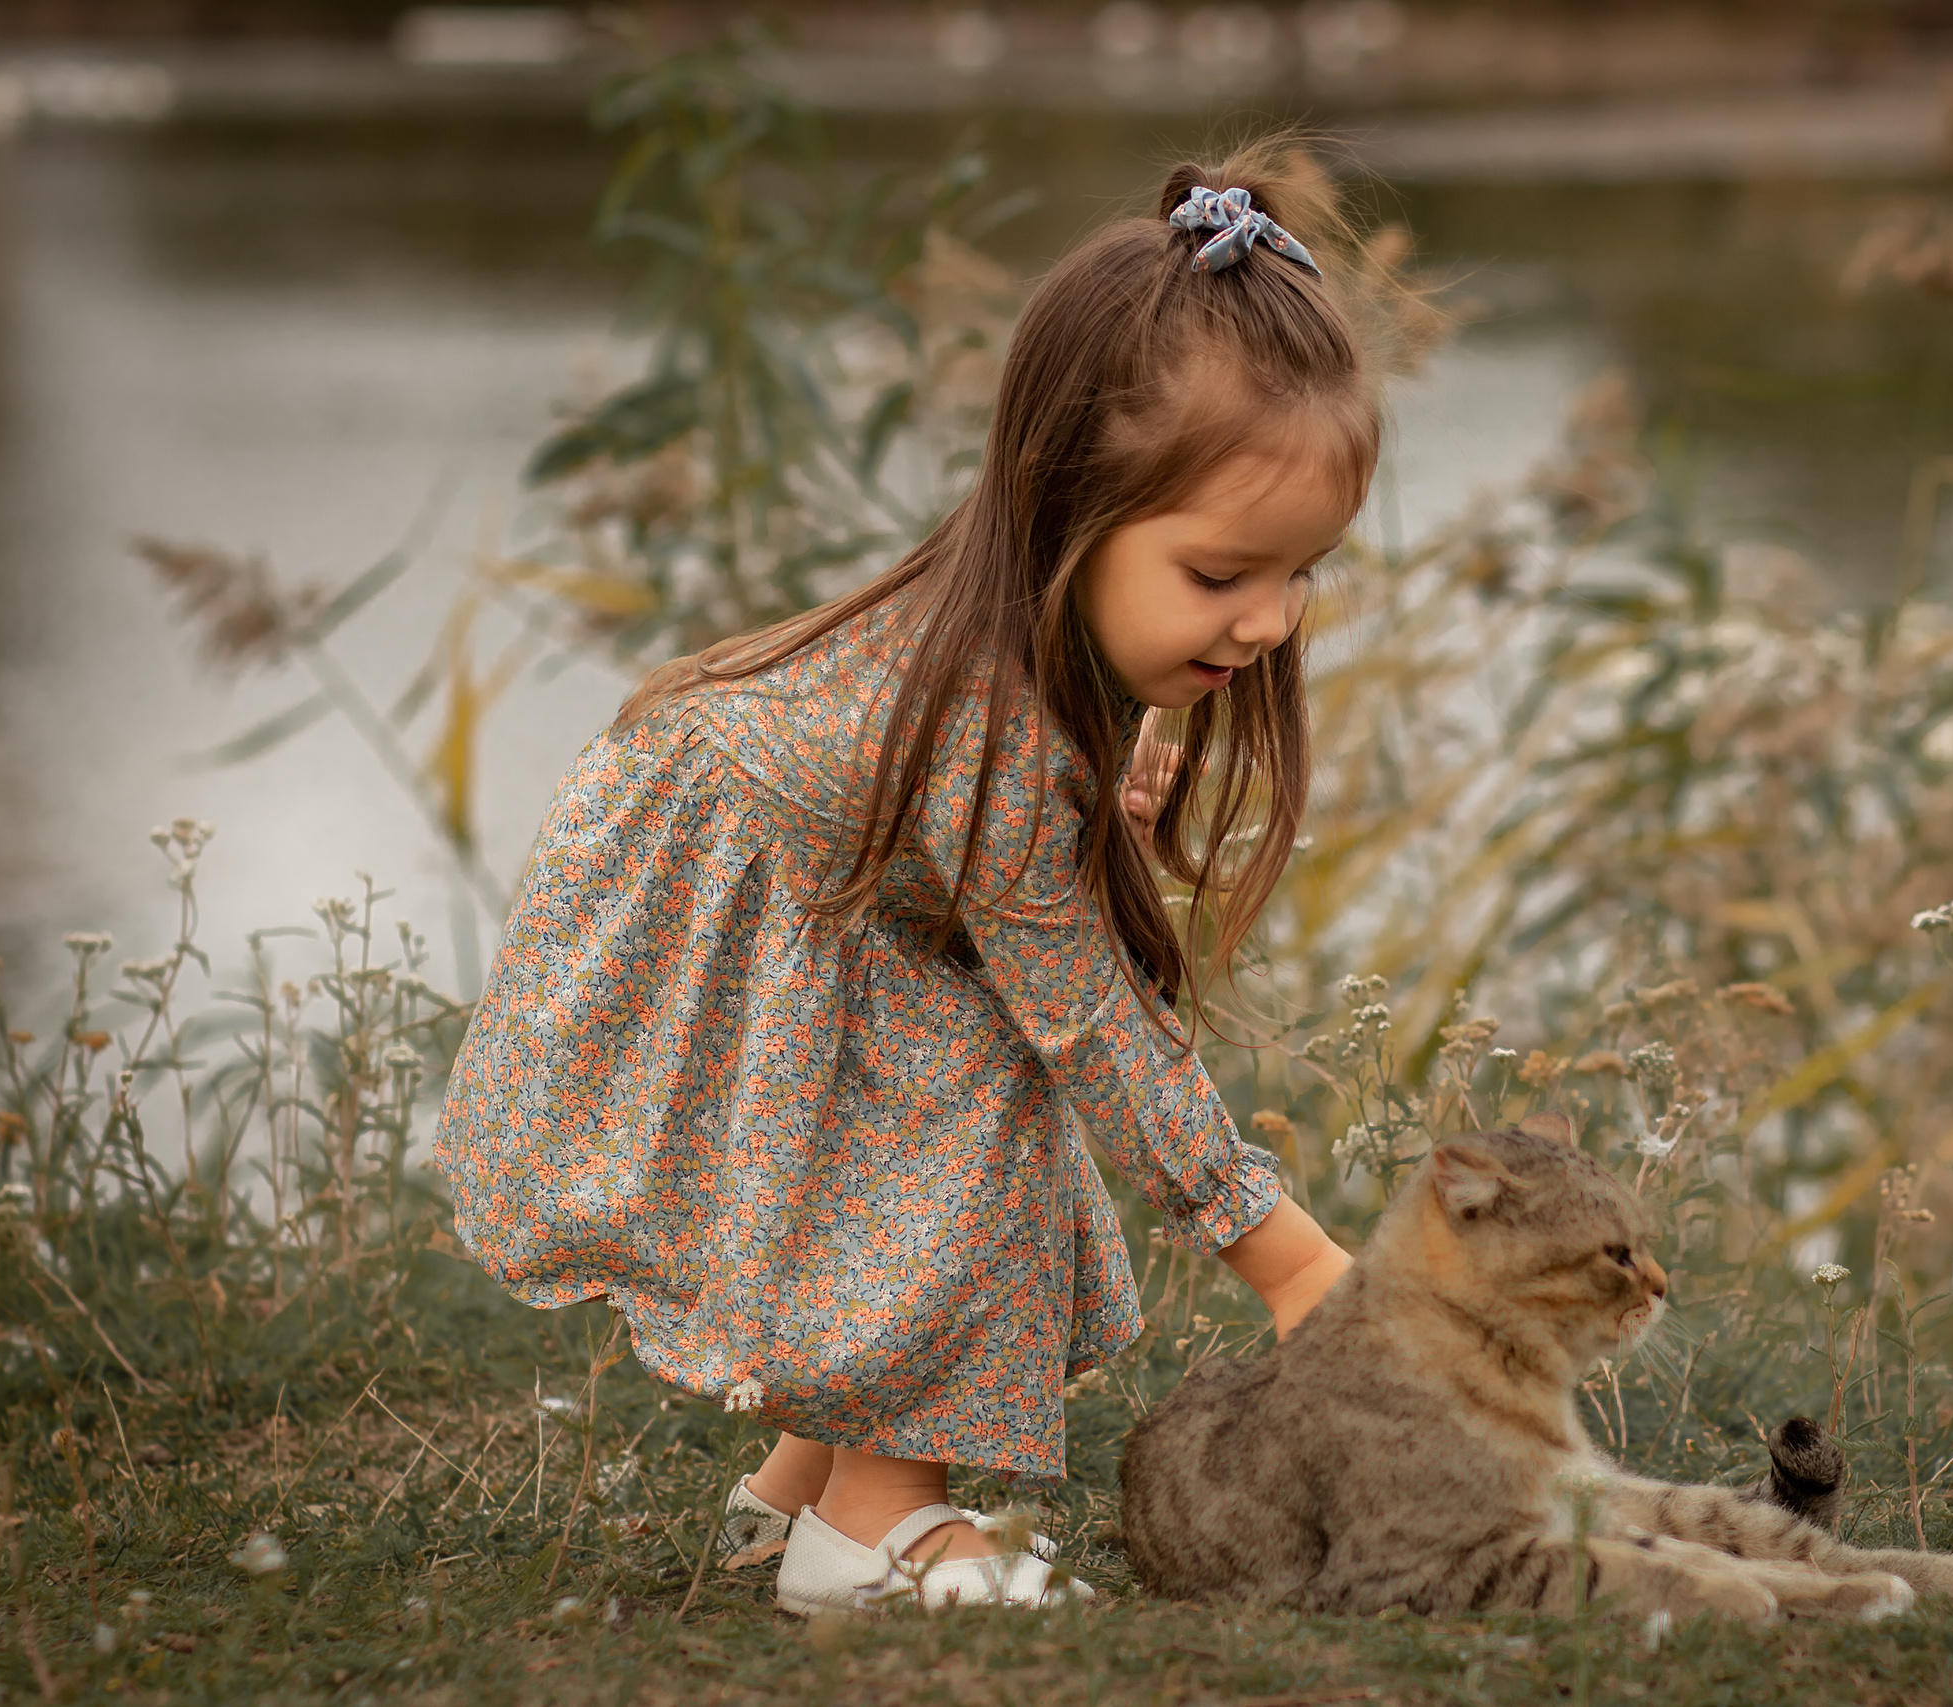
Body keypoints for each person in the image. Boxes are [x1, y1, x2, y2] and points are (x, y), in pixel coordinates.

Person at [433, 141, 1396, 1612]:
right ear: (1063, 500)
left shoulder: (1035, 652)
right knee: (976, 1096)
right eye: (1221, 576)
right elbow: (1089, 1024)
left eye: (1300, 573)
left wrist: (1100, 815)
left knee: (930, 1078)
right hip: (718, 897)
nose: (1267, 621)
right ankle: (873, 1534)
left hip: (772, 875)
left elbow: (989, 866)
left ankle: (797, 1487)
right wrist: (1286, 1255)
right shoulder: (988, 724)